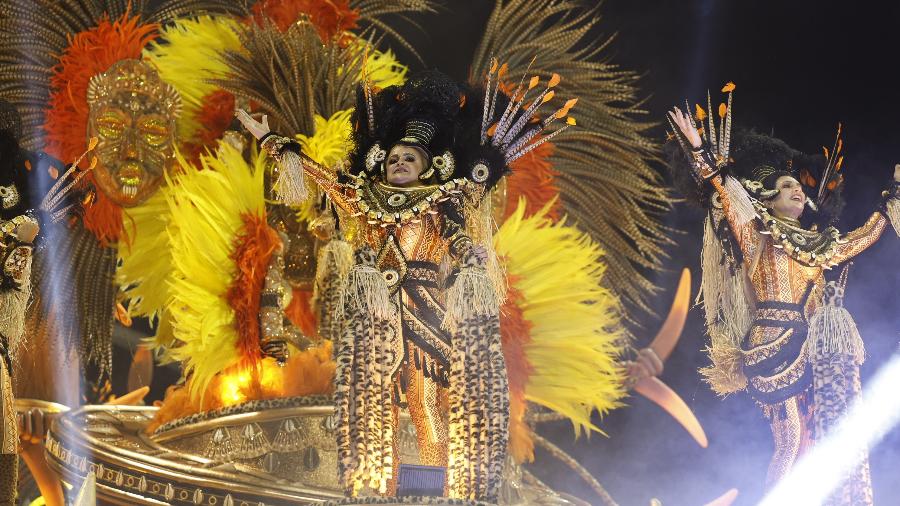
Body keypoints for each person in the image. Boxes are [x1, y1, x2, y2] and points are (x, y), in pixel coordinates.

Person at [238, 69, 574, 501]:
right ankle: (377, 490)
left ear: (430, 167)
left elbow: (468, 214)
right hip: (377, 323)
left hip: (427, 318)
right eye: (394, 158)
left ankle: (436, 492)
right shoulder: (364, 199)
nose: (399, 164)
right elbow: (321, 177)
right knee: (372, 412)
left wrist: (487, 170)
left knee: (425, 402)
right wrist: (271, 141)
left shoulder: (443, 200)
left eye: (409, 159)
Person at [668, 91, 900, 505]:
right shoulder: (756, 233)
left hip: (814, 346)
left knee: (821, 438)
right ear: (768, 198)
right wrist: (700, 150)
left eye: (797, 185)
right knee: (791, 440)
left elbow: (861, 240)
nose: (796, 190)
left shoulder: (818, 243)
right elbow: (724, 188)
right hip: (773, 345)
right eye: (786, 185)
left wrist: (892, 198)